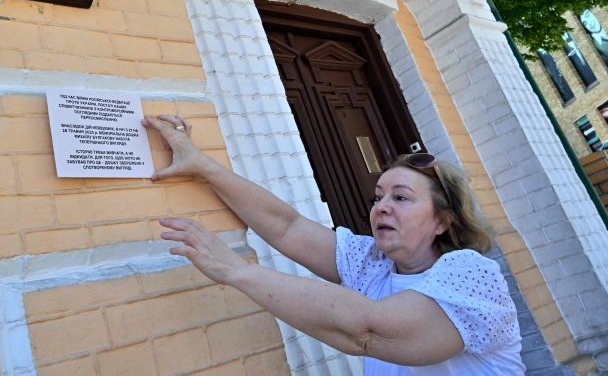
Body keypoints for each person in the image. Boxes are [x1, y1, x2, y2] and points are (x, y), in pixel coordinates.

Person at [143, 115, 524, 374]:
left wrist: (235, 270)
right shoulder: (374, 263)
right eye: (378, 197)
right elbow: (286, 227)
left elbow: (369, 330)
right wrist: (203, 166)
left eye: (401, 198)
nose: (381, 207)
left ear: (443, 220)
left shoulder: (472, 274)